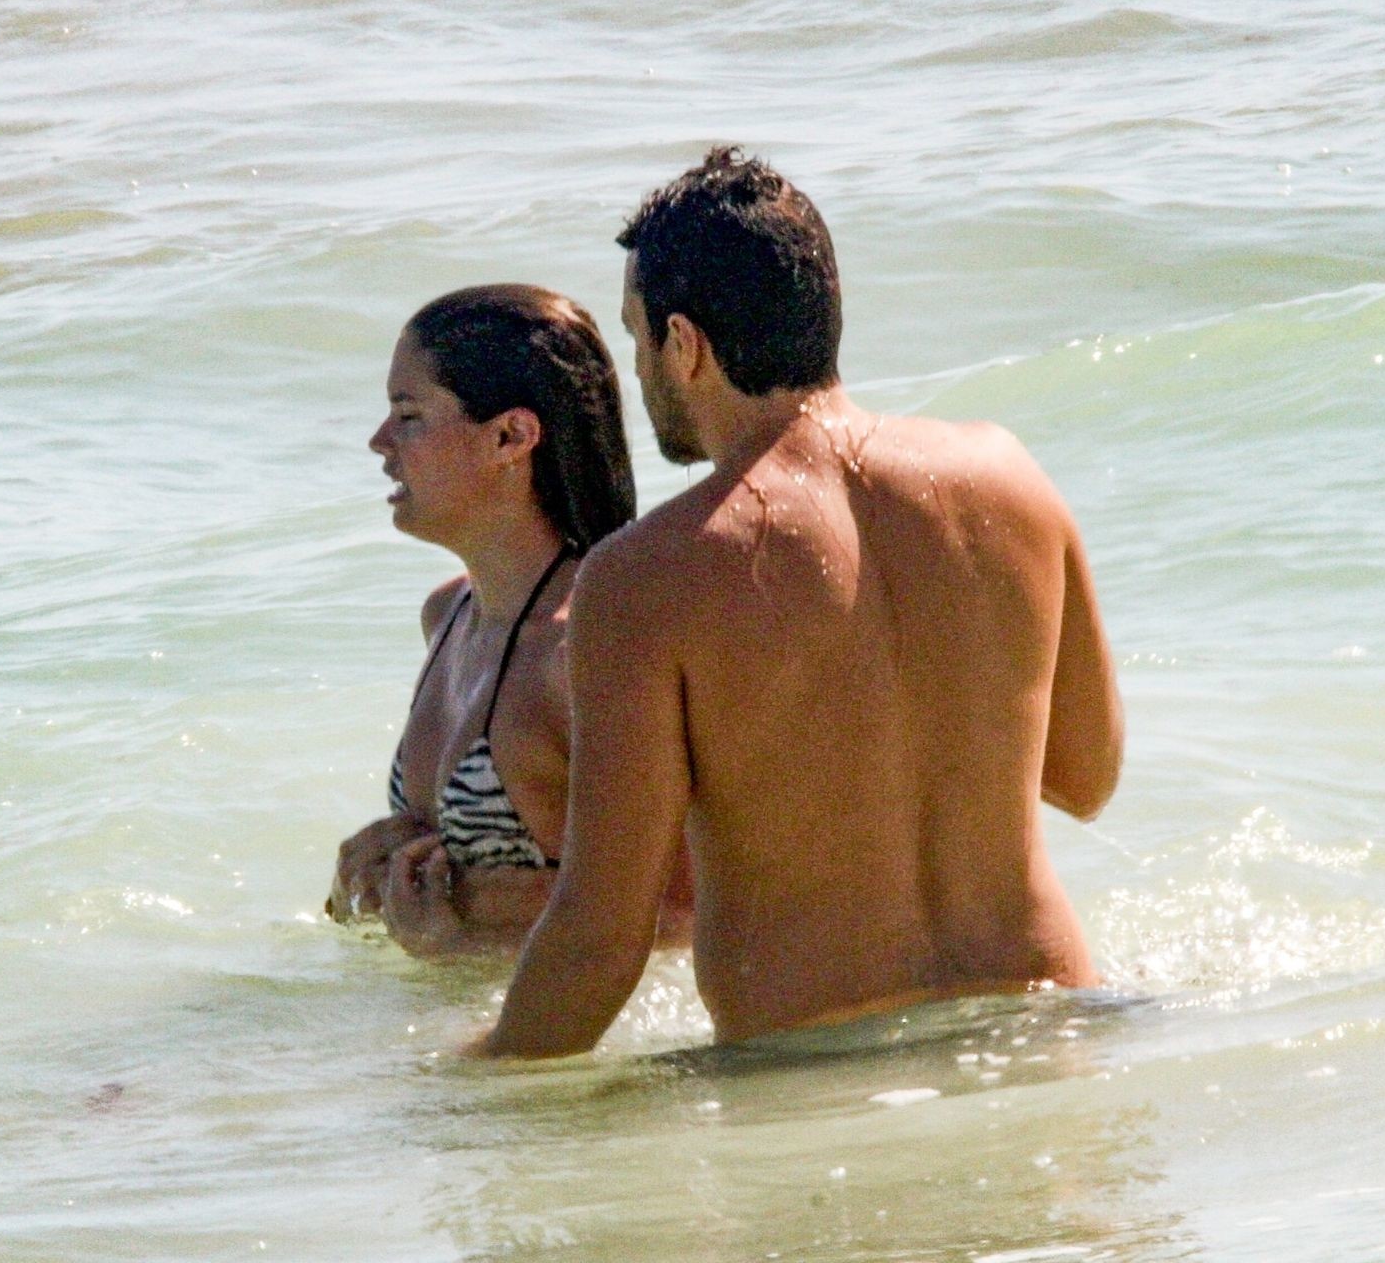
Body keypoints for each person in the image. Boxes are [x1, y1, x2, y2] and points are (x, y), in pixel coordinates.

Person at [473, 149, 1122, 1055]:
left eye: (637, 337)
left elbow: (600, 943)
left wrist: (465, 1086)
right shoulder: (1008, 478)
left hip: (819, 1068)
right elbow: (1087, 779)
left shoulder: (647, 575)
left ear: (684, 345)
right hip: (1050, 1021)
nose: (639, 368)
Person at [329, 284, 689, 956]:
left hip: (586, 1016)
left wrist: (467, 920)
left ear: (510, 437)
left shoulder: (583, 648)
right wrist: (370, 875)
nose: (380, 442)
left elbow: (691, 911)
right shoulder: (447, 616)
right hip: (471, 1000)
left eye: (408, 415)